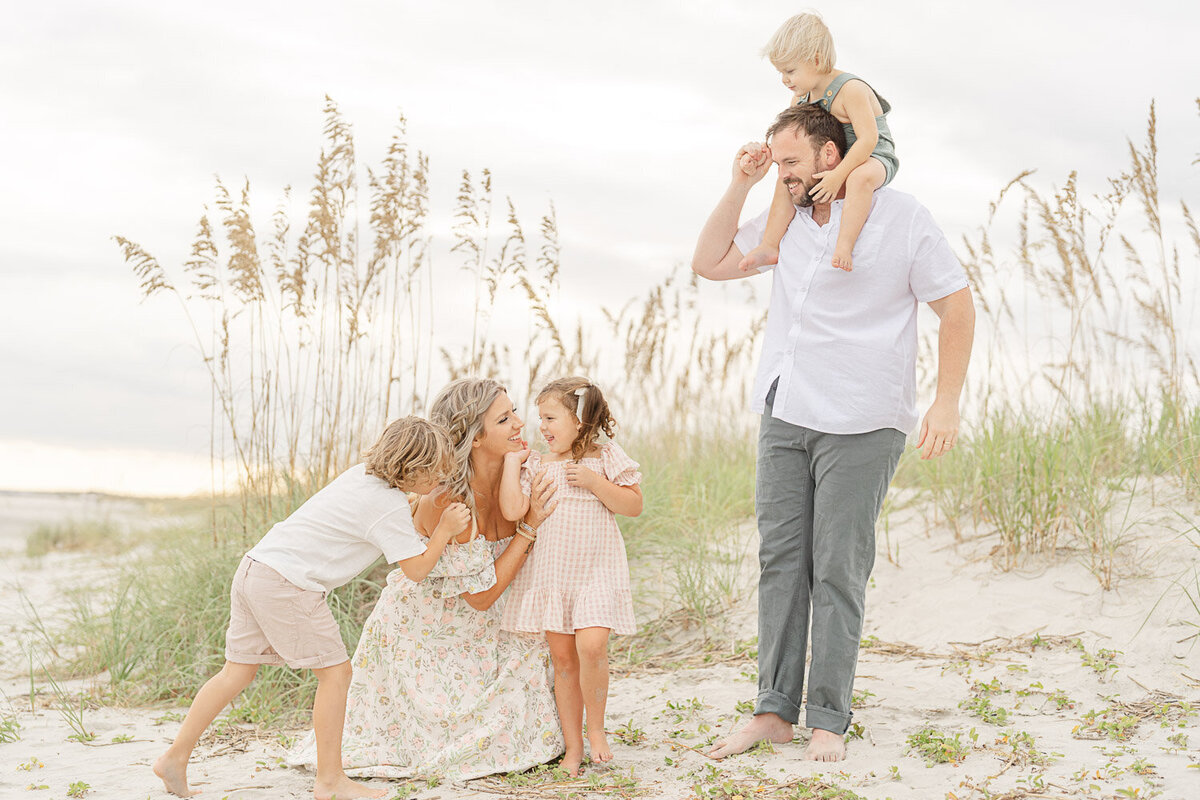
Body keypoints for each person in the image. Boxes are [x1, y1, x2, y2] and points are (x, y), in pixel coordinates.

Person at [691, 102, 974, 762]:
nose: (784, 174)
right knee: (781, 564)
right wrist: (744, 182)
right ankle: (773, 711)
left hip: (864, 418)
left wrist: (946, 401)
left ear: (830, 153)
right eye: (778, 164)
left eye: (792, 161)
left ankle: (828, 717)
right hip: (786, 411)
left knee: (838, 569)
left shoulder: (902, 218)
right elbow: (709, 261)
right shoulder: (784, 220)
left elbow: (956, 306)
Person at [153, 416, 468, 800]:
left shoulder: (361, 477)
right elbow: (417, 569)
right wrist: (444, 530)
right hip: (288, 585)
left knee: (235, 672)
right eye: (435, 474)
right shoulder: (386, 506)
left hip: (256, 567)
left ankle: (175, 756)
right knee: (336, 674)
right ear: (411, 469)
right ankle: (330, 781)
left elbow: (380, 513)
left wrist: (420, 499)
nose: (441, 480)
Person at [288, 377, 565, 781]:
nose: (520, 425)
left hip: (488, 625)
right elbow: (481, 597)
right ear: (473, 438)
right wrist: (530, 526)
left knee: (542, 660)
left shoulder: (518, 473)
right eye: (504, 419)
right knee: (501, 715)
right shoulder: (445, 500)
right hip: (429, 634)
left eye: (515, 412)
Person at [498, 377, 642, 776]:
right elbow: (513, 511)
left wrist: (596, 483)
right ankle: (573, 747)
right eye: (539, 417)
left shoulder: (605, 455)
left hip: (596, 570)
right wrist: (513, 464)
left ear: (580, 421)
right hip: (553, 574)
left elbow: (632, 505)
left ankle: (596, 730)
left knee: (592, 646)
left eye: (550, 417)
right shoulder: (536, 463)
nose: (541, 426)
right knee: (562, 659)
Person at [738, 12, 899, 274]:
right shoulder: (801, 98)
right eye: (780, 72)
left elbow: (869, 139)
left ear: (815, 59)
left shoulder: (850, 90)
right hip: (835, 156)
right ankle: (769, 244)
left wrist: (838, 176)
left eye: (790, 71)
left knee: (859, 179)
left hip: (874, 155)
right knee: (786, 178)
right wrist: (761, 153)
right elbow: (789, 141)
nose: (785, 80)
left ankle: (844, 245)